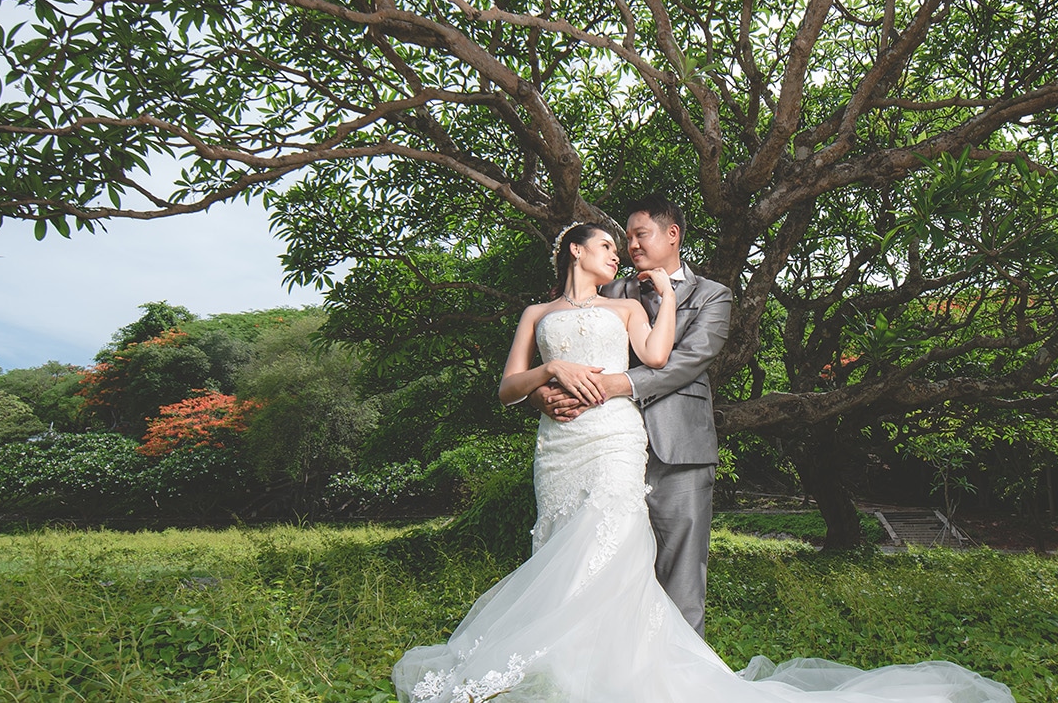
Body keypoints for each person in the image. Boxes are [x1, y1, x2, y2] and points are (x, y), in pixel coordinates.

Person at [391, 219, 1013, 703]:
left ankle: (532, 658)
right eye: (606, 245)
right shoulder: (537, 315)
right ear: (575, 252)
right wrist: (549, 371)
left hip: (612, 436)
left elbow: (658, 359)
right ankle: (564, 663)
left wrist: (661, 293)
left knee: (608, 536)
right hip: (558, 448)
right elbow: (507, 389)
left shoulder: (628, 307)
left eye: (623, 243)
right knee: (558, 540)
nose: (617, 253)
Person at [530, 195, 728, 635]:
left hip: (679, 448)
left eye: (640, 235)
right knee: (603, 561)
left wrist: (616, 385)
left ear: (672, 234)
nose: (631, 246)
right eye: (626, 238)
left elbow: (688, 361)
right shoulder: (612, 291)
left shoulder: (713, 295)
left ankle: (680, 679)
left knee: (681, 570)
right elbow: (563, 340)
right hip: (603, 446)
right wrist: (543, 392)